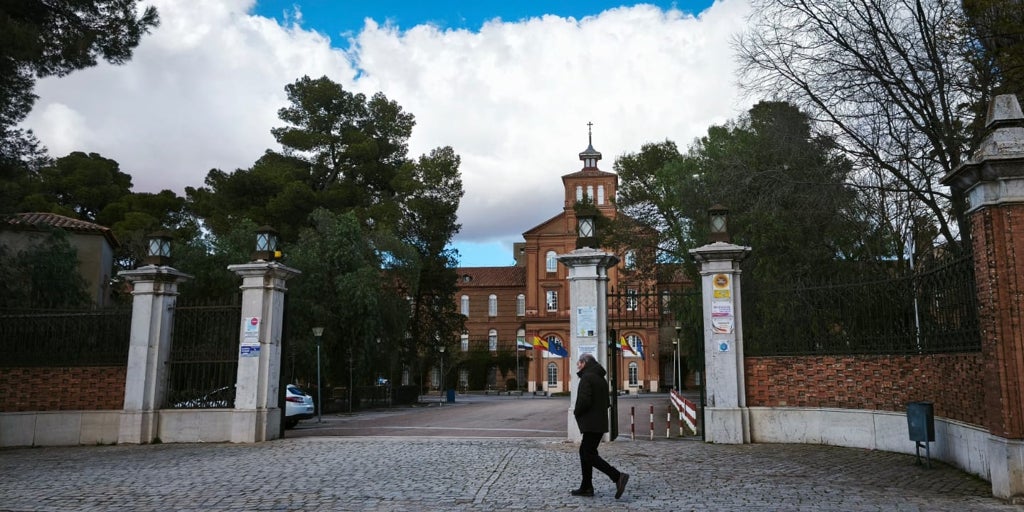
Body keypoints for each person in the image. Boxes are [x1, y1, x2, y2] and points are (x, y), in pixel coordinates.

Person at [571, 352, 630, 499]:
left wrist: (576, 411)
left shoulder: (587, 378)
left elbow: (584, 401)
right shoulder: (600, 379)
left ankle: (617, 476)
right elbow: (606, 402)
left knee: (588, 453)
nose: (577, 365)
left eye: (579, 363)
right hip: (599, 422)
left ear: (585, 363)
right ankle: (586, 487)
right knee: (585, 452)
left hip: (591, 423)